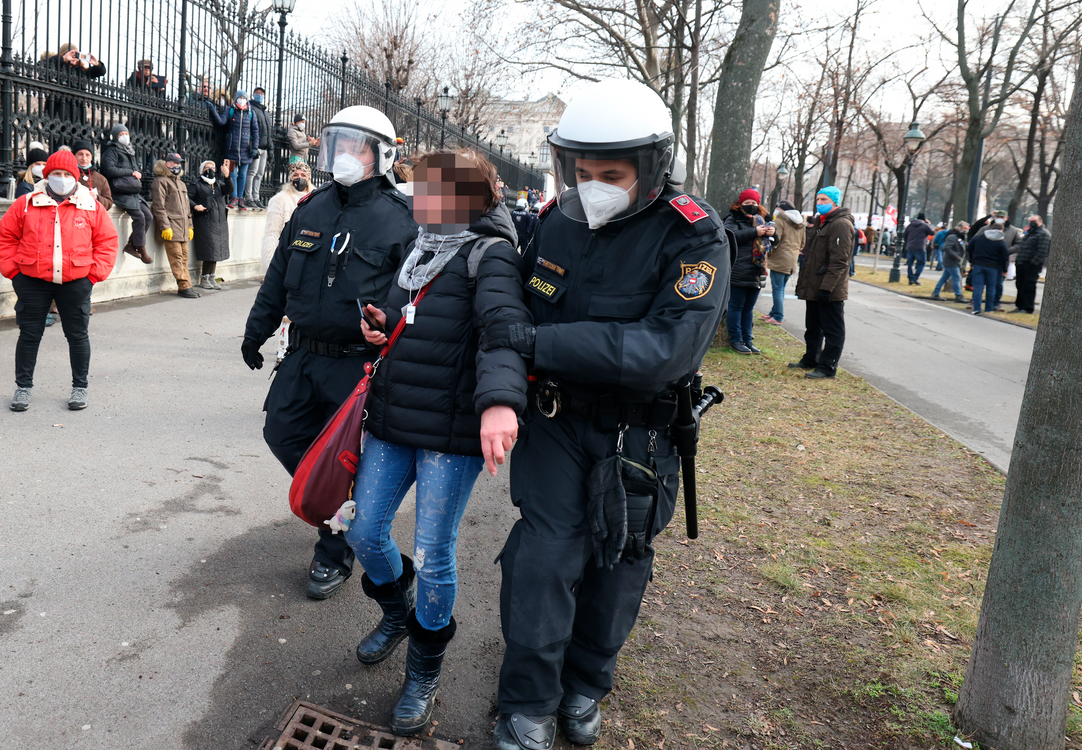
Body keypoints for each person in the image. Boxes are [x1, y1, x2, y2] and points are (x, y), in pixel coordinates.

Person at [477, 79, 727, 750]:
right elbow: (511, 308)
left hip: (639, 433)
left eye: (610, 175)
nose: (592, 187)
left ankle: (585, 683)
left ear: (652, 166)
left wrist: (540, 343)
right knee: (542, 558)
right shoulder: (556, 221)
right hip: (557, 421)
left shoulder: (693, 235)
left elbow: (666, 350)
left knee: (618, 560)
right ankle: (527, 700)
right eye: (580, 171)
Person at [346, 148, 521, 736]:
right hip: (394, 416)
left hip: (450, 428)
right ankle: (399, 614)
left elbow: (503, 331)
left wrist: (499, 401)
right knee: (363, 530)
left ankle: (424, 668)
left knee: (432, 552)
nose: (419, 198)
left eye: (432, 189)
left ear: (468, 197)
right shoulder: (420, 248)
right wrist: (381, 326)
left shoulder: (491, 254)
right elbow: (407, 319)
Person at [240, 104, 416, 601]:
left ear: (381, 156)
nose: (345, 154)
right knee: (282, 432)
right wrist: (255, 332)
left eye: (357, 147)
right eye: (339, 144)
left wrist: (389, 324)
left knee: (342, 457)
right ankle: (339, 512)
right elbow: (278, 278)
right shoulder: (310, 208)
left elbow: (412, 295)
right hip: (303, 356)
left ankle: (334, 549)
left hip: (358, 362)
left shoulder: (401, 220)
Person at [0, 150, 118, 412]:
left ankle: (80, 387)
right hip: (32, 280)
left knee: (77, 335)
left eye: (66, 174)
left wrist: (92, 276)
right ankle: (23, 388)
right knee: (29, 335)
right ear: (47, 175)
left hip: (76, 281)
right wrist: (14, 273)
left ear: (76, 176)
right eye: (56, 173)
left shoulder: (91, 205)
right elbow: (5, 237)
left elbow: (106, 242)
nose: (61, 178)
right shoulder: (26, 203)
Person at [791, 186, 852, 379]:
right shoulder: (822, 222)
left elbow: (839, 260)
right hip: (815, 285)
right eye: (818, 199)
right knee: (813, 326)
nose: (820, 203)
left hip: (829, 287)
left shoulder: (840, 224)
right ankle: (811, 358)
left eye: (824, 200)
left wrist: (826, 288)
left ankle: (827, 367)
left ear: (835, 202)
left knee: (833, 329)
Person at [724, 188, 771, 354]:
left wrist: (773, 234)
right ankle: (736, 340)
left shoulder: (763, 219)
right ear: (740, 203)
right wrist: (755, 232)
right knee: (736, 306)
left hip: (757, 270)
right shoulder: (733, 218)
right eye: (747, 202)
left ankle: (748, 339)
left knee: (749, 308)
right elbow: (730, 236)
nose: (750, 205)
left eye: (753, 202)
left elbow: (772, 243)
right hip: (739, 268)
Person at [101, 123, 155, 264]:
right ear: (115, 137)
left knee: (148, 216)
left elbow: (136, 169)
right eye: (121, 134)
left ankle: (132, 244)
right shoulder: (111, 151)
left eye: (126, 134)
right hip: (120, 192)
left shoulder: (130, 151)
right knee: (139, 217)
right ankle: (141, 248)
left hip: (133, 193)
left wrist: (137, 173)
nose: (124, 136)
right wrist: (131, 172)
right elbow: (109, 170)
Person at [150, 152, 199, 298]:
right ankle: (184, 286)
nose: (178, 165)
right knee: (176, 257)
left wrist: (190, 225)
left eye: (179, 163)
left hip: (183, 227)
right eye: (175, 163)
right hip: (171, 226)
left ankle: (186, 285)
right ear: (167, 164)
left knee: (184, 257)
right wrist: (165, 226)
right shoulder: (160, 181)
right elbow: (159, 207)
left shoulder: (181, 183)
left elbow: (187, 208)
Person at [206, 90, 261, 209]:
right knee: (232, 174)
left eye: (244, 98)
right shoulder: (230, 110)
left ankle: (241, 198)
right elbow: (221, 122)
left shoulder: (251, 113)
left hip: (246, 152)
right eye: (240, 97)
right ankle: (234, 197)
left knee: (243, 175)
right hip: (231, 150)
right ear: (236, 98)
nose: (242, 99)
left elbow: (255, 132)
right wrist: (213, 110)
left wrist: (255, 148)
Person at [259, 161, 311, 278]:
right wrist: (271, 267)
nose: (299, 178)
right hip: (287, 256)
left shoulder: (316, 199)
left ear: (308, 178)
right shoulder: (280, 200)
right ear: (291, 178)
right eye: (295, 175)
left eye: (303, 175)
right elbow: (272, 234)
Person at [189, 159, 232, 290]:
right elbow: (188, 198)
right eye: (207, 168)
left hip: (219, 221)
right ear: (202, 170)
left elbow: (229, 189)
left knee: (217, 251)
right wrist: (195, 206)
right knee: (209, 250)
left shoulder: (218, 183)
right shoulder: (196, 183)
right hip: (205, 220)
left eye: (212, 168)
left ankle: (211, 276)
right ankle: (204, 278)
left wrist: (227, 176)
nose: (210, 170)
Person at [765, 200, 803, 323]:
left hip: (780, 258)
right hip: (792, 259)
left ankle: (778, 316)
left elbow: (775, 240)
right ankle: (773, 312)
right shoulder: (800, 223)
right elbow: (802, 243)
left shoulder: (780, 221)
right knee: (781, 288)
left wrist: (768, 254)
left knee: (777, 289)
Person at [966, 217, 1010, 315]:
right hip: (993, 267)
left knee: (978, 287)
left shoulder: (979, 238)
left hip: (978, 264)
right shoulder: (1001, 241)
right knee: (991, 288)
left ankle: (977, 308)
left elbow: (969, 248)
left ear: (990, 229)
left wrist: (972, 261)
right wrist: (1005, 269)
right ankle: (989, 308)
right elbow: (1005, 256)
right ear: (1001, 230)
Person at [1010, 214, 1050, 314]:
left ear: (1040, 221)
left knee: (1028, 286)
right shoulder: (1029, 233)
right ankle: (1020, 306)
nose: (1032, 223)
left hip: (1031, 265)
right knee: (1020, 284)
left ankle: (1027, 307)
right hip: (1021, 262)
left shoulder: (1043, 234)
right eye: (1031, 221)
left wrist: (1033, 263)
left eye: (1034, 221)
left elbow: (1042, 251)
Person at [245, 86, 273, 207]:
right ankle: (248, 197)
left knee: (260, 174)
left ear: (264, 96)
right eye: (257, 93)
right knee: (252, 172)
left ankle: (256, 197)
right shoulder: (251, 108)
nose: (259, 95)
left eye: (261, 93)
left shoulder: (266, 113)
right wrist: (253, 146)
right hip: (256, 146)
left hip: (264, 148)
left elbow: (269, 132)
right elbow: (251, 129)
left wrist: (271, 148)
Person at [930, 222, 969, 303]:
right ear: (959, 228)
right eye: (965, 228)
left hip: (955, 260)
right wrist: (956, 256)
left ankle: (935, 293)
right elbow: (947, 248)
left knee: (945, 278)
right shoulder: (952, 237)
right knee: (957, 277)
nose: (966, 230)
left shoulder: (961, 237)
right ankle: (958, 295)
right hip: (951, 260)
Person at [72, 140, 113, 211]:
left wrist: (97, 198)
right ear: (74, 156)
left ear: (91, 157)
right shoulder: (69, 176)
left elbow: (109, 202)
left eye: (87, 155)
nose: (84, 158)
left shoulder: (101, 179)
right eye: (80, 154)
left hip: (93, 215)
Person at [902, 213, 932, 285]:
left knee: (910, 264)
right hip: (920, 247)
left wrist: (908, 243)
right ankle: (915, 277)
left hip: (910, 247)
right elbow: (932, 232)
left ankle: (910, 278)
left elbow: (904, 235)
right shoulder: (925, 226)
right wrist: (929, 224)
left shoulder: (910, 225)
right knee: (922, 263)